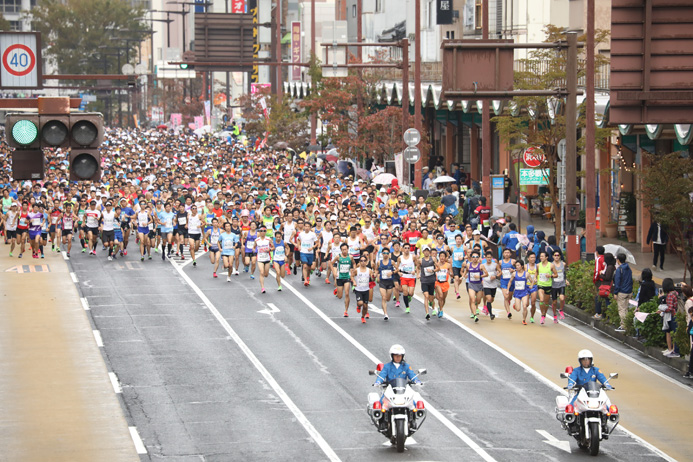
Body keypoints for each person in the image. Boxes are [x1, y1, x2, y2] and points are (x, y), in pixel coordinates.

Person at [612, 253, 633, 332]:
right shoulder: (629, 268)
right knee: (626, 309)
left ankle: (623, 326)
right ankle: (628, 325)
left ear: (618, 260)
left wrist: (615, 293)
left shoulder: (619, 269)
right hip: (629, 291)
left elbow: (617, 282)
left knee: (622, 309)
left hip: (622, 292)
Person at [660, 278, 680, 358]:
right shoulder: (675, 293)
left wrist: (663, 309)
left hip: (673, 316)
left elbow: (670, 307)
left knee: (673, 333)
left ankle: (675, 351)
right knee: (674, 332)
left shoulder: (670, 295)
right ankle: (674, 350)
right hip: (675, 315)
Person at [594, 253, 616, 320]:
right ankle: (608, 316)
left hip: (607, 286)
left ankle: (601, 314)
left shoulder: (610, 267)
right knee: (606, 300)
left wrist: (600, 275)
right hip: (608, 286)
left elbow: (607, 277)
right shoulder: (611, 266)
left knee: (603, 299)